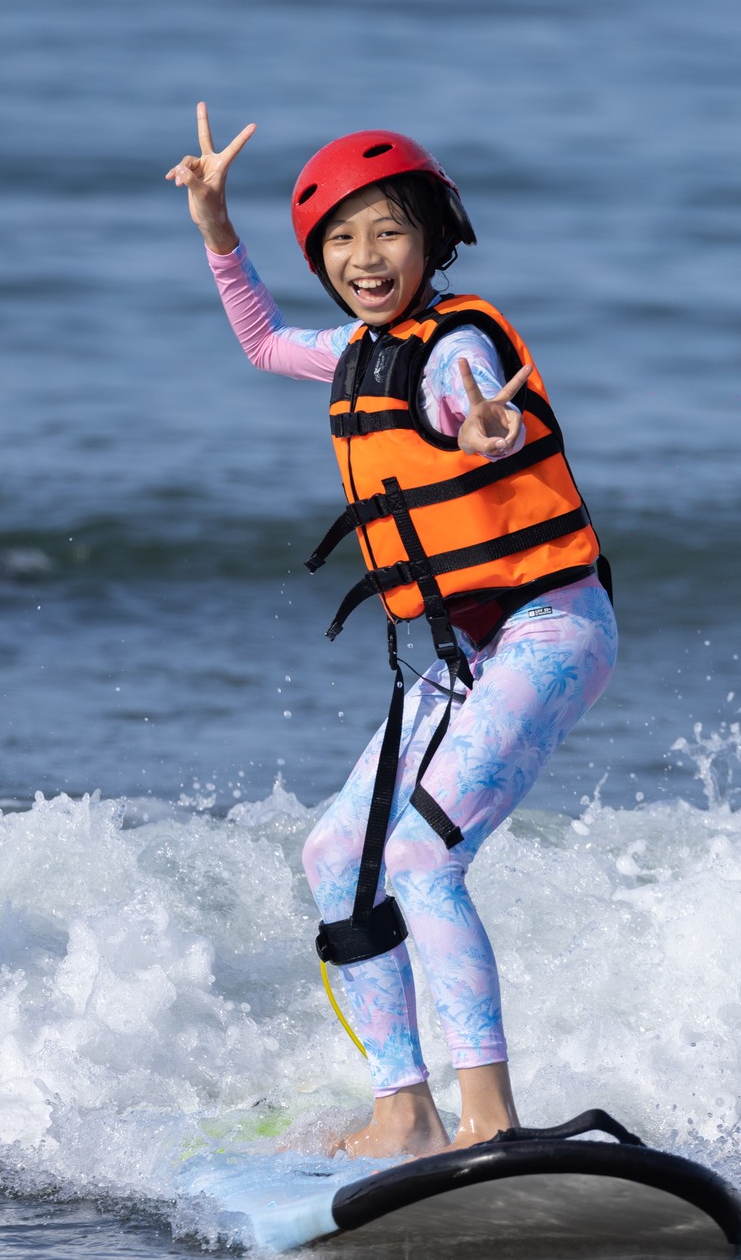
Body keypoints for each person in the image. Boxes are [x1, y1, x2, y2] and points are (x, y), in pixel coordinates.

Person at [169, 106, 616, 1158]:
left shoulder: (453, 345)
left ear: (433, 237)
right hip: (468, 655)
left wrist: (482, 424)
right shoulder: (357, 348)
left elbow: (465, 400)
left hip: (551, 627)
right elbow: (263, 339)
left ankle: (490, 1118)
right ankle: (402, 1106)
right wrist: (215, 227)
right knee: (335, 853)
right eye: (339, 239)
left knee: (419, 857)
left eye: (386, 231)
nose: (364, 257)